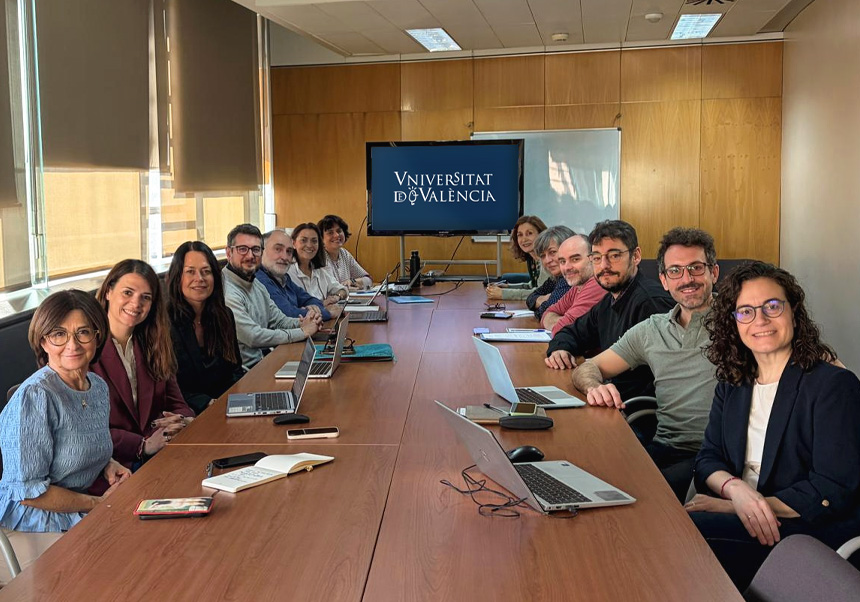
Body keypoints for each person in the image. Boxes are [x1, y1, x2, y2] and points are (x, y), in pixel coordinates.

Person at [685, 261, 860, 590]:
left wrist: (734, 506)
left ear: (794, 311)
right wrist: (736, 491)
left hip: (806, 531)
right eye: (746, 311)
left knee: (682, 539)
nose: (760, 320)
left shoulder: (833, 385)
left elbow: (830, 488)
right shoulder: (733, 381)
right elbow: (708, 457)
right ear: (733, 322)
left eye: (772, 306)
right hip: (749, 513)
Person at [572, 228, 720, 501]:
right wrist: (594, 386)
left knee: (632, 498)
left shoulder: (744, 325)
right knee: (590, 479)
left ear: (714, 273)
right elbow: (588, 368)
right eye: (675, 271)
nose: (687, 279)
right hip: (663, 446)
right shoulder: (652, 330)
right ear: (664, 280)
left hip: (713, 456)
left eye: (696, 268)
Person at [0, 290, 130, 582]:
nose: (72, 344)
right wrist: (96, 506)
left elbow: (78, 440)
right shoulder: (35, 396)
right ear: (43, 340)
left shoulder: (96, 387)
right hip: (24, 524)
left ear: (97, 337)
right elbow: (29, 493)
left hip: (74, 507)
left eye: (83, 332)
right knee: (109, 574)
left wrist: (107, 463)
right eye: (59, 334)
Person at [545, 220, 674, 401]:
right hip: (611, 400)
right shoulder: (610, 298)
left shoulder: (651, 303)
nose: (604, 265)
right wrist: (560, 349)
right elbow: (572, 331)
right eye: (597, 257)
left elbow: (657, 383)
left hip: (635, 413)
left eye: (614, 256)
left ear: (636, 256)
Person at [92, 260, 194, 469]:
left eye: (145, 298)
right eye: (127, 293)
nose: (136, 304)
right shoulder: (83, 350)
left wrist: (180, 420)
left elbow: (177, 402)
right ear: (108, 292)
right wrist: (143, 445)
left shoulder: (153, 343)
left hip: (162, 452)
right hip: (112, 465)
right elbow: (86, 429)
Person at [222, 223, 320, 370]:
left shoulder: (255, 283)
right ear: (229, 253)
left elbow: (278, 320)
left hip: (266, 363)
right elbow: (253, 336)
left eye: (255, 250)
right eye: (242, 249)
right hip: (244, 376)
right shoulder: (226, 290)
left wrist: (304, 323)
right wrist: (302, 332)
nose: (250, 256)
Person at [165, 241, 245, 415]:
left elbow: (235, 369)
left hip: (227, 407)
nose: (199, 279)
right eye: (190, 272)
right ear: (177, 277)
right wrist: (208, 403)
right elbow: (167, 387)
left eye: (206, 271)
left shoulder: (224, 315)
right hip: (188, 414)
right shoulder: (164, 323)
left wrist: (239, 399)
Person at [256, 229, 331, 321]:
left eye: (289, 251)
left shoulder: (284, 278)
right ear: (260, 251)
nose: (285, 257)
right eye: (278, 249)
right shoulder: (260, 279)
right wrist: (327, 313)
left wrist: (312, 307)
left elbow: (310, 299)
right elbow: (288, 314)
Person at [540, 234, 606, 336]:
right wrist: (564, 320)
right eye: (562, 261)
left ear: (594, 259)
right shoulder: (578, 286)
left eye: (575, 259)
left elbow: (565, 328)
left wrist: (561, 321)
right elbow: (546, 314)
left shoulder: (597, 284)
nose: (567, 267)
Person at [287, 222, 349, 311]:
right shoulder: (287, 273)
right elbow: (290, 309)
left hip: (326, 320)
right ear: (293, 243)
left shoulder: (320, 271)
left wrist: (336, 297)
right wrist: (321, 305)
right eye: (303, 240)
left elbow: (343, 290)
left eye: (314, 241)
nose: (309, 245)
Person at [486, 215, 548, 301]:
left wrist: (503, 294)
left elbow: (540, 294)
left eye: (529, 233)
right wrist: (507, 287)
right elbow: (533, 285)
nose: (524, 239)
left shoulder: (548, 260)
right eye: (520, 235)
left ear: (541, 234)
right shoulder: (532, 258)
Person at [525, 226, 574, 318]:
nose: (547, 260)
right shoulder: (557, 277)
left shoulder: (570, 278)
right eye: (543, 256)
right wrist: (542, 299)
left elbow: (544, 312)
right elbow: (530, 298)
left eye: (552, 252)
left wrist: (543, 304)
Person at [318, 214, 372, 290]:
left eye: (339, 231)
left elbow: (368, 279)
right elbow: (330, 289)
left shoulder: (344, 254)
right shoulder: (320, 257)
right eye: (330, 232)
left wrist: (352, 281)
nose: (337, 235)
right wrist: (346, 288)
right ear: (321, 238)